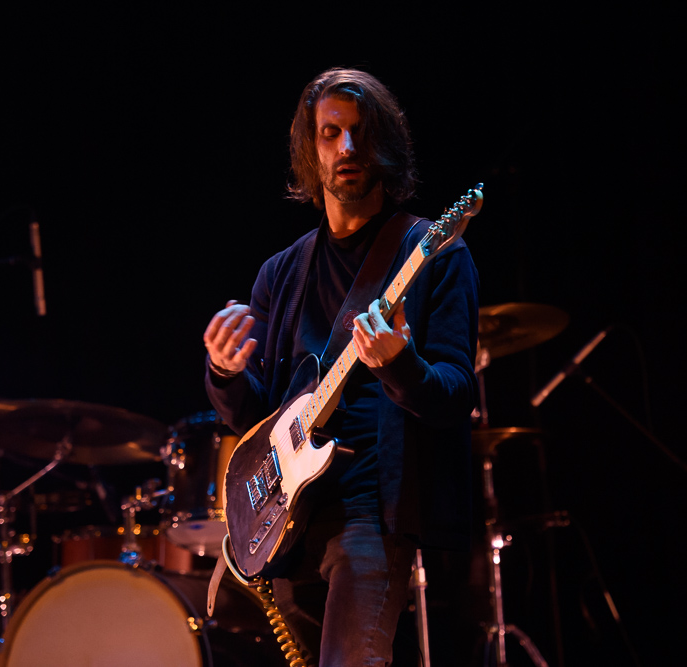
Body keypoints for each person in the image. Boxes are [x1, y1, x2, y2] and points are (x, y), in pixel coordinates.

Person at [203, 67, 479, 666]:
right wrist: (224, 373)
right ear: (311, 150)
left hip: (369, 514)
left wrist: (400, 365)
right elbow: (257, 419)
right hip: (287, 523)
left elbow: (457, 395)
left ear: (386, 143)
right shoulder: (280, 274)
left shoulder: (434, 251)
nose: (347, 147)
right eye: (330, 133)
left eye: (360, 131)